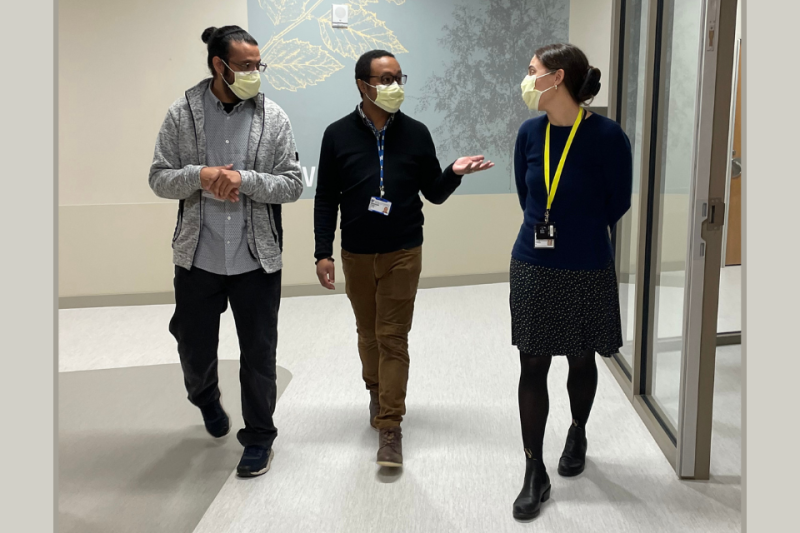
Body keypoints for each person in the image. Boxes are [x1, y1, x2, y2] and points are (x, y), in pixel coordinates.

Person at [313, 49, 494, 468]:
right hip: (356, 252)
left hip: (403, 251)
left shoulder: (416, 133)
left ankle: (390, 425)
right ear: (363, 85)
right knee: (368, 333)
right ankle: (376, 392)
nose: (395, 87)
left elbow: (432, 191)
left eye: (399, 78)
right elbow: (326, 198)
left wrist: (454, 172)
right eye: (385, 79)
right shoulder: (336, 134)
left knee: (392, 336)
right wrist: (323, 251)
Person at [148, 25, 303, 478]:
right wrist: (200, 175)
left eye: (259, 65)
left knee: (259, 355)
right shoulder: (182, 114)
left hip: (256, 261)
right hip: (199, 258)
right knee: (193, 348)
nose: (256, 73)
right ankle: (205, 397)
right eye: (246, 66)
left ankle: (258, 437)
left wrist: (245, 180)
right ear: (219, 65)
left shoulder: (273, 117)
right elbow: (159, 177)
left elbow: (292, 185)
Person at [510, 43, 633, 520]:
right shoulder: (529, 132)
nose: (526, 79)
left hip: (586, 264)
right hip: (533, 264)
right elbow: (528, 196)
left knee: (581, 357)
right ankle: (533, 470)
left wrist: (578, 230)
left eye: (532, 70)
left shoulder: (606, 136)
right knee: (533, 363)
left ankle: (578, 429)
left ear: (556, 78)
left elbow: (616, 202)